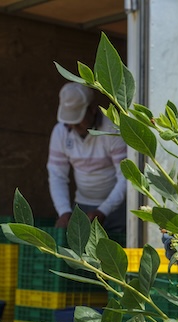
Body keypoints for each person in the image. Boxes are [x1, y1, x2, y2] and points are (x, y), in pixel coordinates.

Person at [47, 82, 127, 235]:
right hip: (82, 205)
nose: (73, 125)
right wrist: (64, 211)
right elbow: (57, 175)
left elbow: (126, 177)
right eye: (69, 121)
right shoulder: (60, 131)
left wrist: (103, 210)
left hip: (117, 207)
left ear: (92, 109)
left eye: (78, 119)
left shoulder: (112, 130)